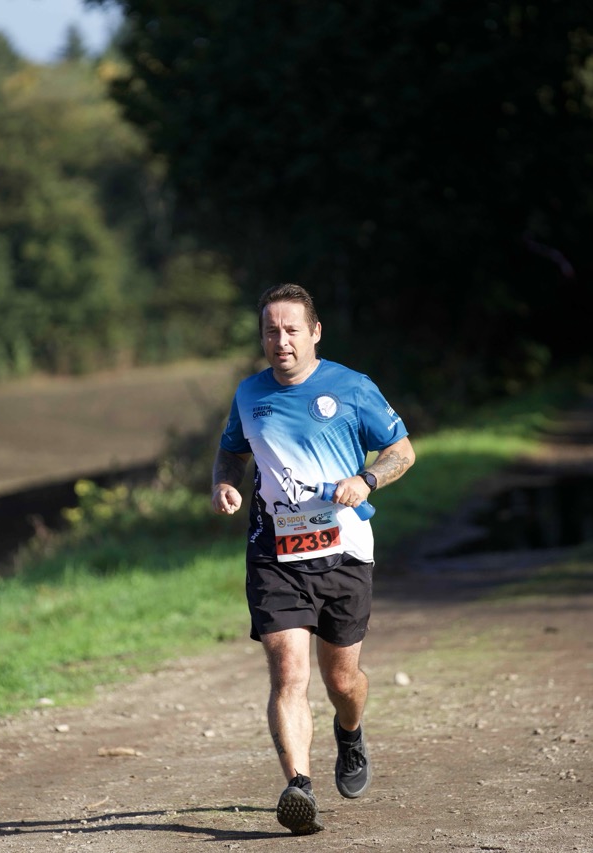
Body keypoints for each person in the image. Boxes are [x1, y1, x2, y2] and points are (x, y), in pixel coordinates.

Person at [210, 283, 415, 835]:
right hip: (274, 552)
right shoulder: (249, 394)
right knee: (288, 673)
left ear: (315, 332)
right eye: (271, 331)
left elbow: (402, 450)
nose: (281, 341)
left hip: (344, 550)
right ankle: (298, 786)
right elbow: (231, 451)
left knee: (341, 680)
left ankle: (350, 733)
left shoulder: (352, 387)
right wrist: (225, 484)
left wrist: (367, 479)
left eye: (291, 330)